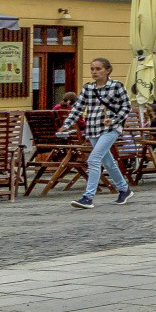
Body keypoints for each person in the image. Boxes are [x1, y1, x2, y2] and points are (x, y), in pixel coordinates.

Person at [56, 57, 132, 209]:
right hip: (92, 129)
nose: (94, 72)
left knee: (93, 160)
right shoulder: (88, 88)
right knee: (108, 162)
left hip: (110, 129)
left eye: (98, 69)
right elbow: (78, 108)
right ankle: (124, 189)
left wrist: (115, 120)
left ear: (108, 70)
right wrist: (66, 125)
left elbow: (126, 106)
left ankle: (88, 197)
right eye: (92, 69)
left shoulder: (116, 86)